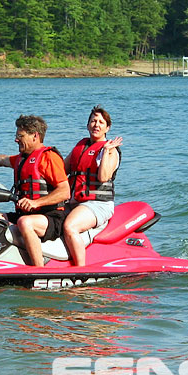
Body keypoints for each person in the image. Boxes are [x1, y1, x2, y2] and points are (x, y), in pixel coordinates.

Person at [0, 115, 70, 267]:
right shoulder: (22, 158)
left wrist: (36, 203)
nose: (16, 139)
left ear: (35, 136)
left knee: (25, 222)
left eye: (20, 136)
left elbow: (65, 191)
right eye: (16, 135)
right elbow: (2, 160)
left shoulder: (49, 158)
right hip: (25, 214)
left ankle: (38, 270)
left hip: (51, 218)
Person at [63, 105, 122, 266]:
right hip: (75, 202)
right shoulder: (81, 146)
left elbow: (103, 177)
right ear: (87, 124)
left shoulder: (111, 150)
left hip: (98, 204)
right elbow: (62, 170)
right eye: (93, 121)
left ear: (107, 128)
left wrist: (106, 151)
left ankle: (80, 271)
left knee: (70, 226)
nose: (96, 125)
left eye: (101, 122)